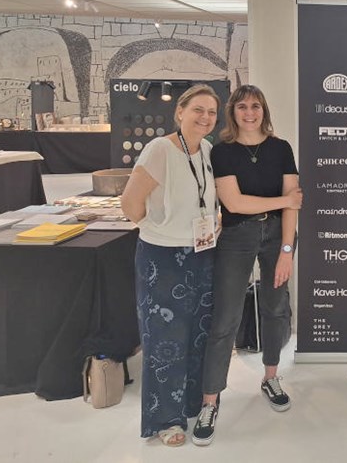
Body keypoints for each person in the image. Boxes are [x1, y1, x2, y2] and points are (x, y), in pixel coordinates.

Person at [191, 84, 302, 446]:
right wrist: (284, 200)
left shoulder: (281, 148)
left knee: (275, 308)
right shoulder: (222, 151)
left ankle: (270, 377)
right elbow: (235, 204)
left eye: (255, 106)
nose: (249, 113)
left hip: (277, 237)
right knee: (225, 318)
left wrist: (287, 250)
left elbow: (293, 206)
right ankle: (210, 400)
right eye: (242, 107)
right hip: (237, 237)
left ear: (263, 110)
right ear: (233, 112)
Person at [120, 84, 221, 446]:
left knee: (197, 333)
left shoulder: (207, 150)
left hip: (202, 253)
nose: (205, 117)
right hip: (162, 258)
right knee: (165, 340)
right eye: (198, 110)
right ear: (180, 112)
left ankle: (191, 403)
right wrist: (157, 227)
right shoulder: (160, 149)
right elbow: (130, 204)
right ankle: (167, 419)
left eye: (211, 112)